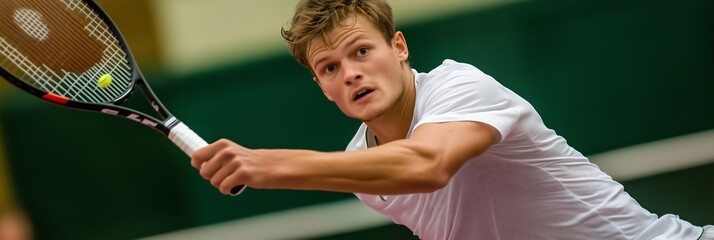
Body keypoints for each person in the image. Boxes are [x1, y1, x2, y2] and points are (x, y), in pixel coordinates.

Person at [191, 0, 713, 239]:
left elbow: (428, 164)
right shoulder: (364, 171)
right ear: (321, 86)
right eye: (330, 67)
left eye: (361, 52)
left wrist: (269, 166)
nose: (350, 73)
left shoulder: (460, 86)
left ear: (398, 47)